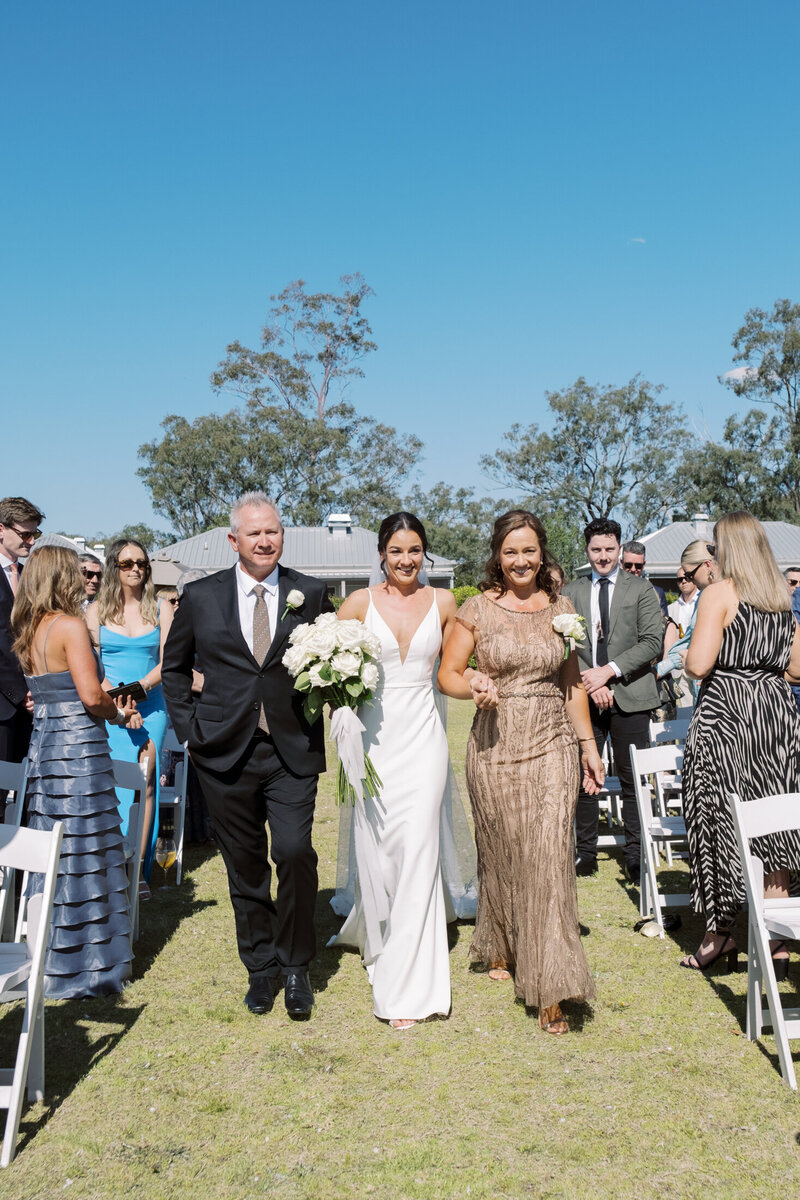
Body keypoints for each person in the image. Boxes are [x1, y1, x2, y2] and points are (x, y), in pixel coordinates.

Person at [161, 492, 333, 1020]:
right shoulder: (201, 596)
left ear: (283, 536)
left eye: (273, 532)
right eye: (254, 533)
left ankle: (296, 964)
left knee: (295, 851)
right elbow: (173, 669)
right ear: (233, 540)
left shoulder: (310, 591)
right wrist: (190, 732)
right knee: (246, 867)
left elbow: (331, 657)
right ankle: (260, 970)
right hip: (223, 750)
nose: (265, 541)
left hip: (291, 749)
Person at [438, 510, 605, 1035]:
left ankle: (550, 986)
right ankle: (500, 944)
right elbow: (447, 673)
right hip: (494, 745)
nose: (521, 561)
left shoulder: (561, 608)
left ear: (542, 552)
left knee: (548, 859)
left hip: (552, 741)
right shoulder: (475, 610)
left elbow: (572, 685)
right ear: (497, 555)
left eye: (529, 550)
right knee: (505, 853)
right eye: (511, 551)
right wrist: (475, 685)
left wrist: (588, 745)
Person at [330, 513, 472, 1030]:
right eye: (396, 551)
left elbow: (452, 670)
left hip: (426, 738)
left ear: (424, 553)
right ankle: (379, 929)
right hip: (373, 737)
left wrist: (478, 679)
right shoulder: (359, 604)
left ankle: (410, 985)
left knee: (418, 847)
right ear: (381, 554)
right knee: (382, 848)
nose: (406, 560)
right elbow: (324, 668)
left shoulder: (445, 603)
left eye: (415, 550)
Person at [11, 546, 137, 997]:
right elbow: (90, 695)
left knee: (54, 848)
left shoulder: (27, 628)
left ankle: (49, 953)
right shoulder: (69, 626)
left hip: (45, 750)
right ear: (61, 577)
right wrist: (119, 715)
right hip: (78, 751)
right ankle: (89, 964)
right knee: (84, 846)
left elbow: (40, 692)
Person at [681, 512, 800, 975]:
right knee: (775, 825)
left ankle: (720, 934)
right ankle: (776, 938)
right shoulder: (780, 596)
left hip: (728, 714)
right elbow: (795, 670)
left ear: (726, 548)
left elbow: (696, 665)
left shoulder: (718, 594)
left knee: (716, 816)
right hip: (775, 715)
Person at [564, 519, 663, 883]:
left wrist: (609, 672)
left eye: (609, 549)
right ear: (587, 551)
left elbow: (652, 642)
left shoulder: (642, 590)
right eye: (596, 550)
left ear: (619, 549)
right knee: (584, 777)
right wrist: (593, 681)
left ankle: (635, 857)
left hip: (631, 697)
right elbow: (564, 644)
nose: (603, 556)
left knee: (632, 781)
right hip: (585, 697)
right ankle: (585, 854)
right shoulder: (571, 592)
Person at [86, 539, 173, 897]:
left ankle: (137, 869)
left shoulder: (161, 607)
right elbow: (92, 666)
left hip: (151, 708)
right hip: (109, 709)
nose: (136, 568)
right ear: (114, 568)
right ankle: (109, 867)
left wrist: (136, 693)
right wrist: (118, 705)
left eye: (141, 562)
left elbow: (169, 662)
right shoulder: (94, 612)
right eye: (127, 563)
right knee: (112, 787)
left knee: (146, 784)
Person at [0, 497, 44, 782]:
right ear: (1, 530)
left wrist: (36, 688)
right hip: (4, 704)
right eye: (25, 534)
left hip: (32, 705)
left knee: (25, 795)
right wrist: (20, 691)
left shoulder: (30, 577)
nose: (31, 541)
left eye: (34, 534)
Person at [656, 541, 716, 710]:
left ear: (707, 565)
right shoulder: (704, 597)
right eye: (681, 578)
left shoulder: (711, 597)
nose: (689, 581)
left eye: (690, 575)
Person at [621, 540, 669, 617]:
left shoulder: (657, 593)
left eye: (638, 566)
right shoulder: (611, 589)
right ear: (621, 563)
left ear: (644, 564)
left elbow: (663, 623)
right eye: (628, 565)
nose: (633, 570)